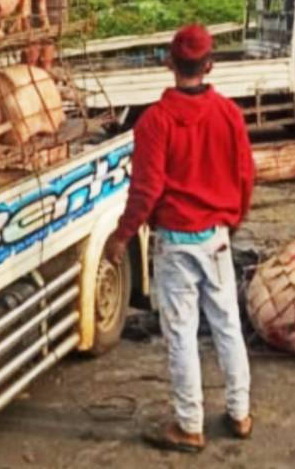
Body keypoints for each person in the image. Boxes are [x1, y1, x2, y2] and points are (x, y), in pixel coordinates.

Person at [104, 24, 254, 453]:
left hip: (175, 241)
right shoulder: (228, 114)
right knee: (227, 326)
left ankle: (190, 424)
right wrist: (232, 221)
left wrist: (121, 237)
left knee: (183, 334)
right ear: (209, 65)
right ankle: (240, 413)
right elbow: (246, 177)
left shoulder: (155, 121)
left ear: (170, 63)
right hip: (218, 238)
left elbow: (146, 190)